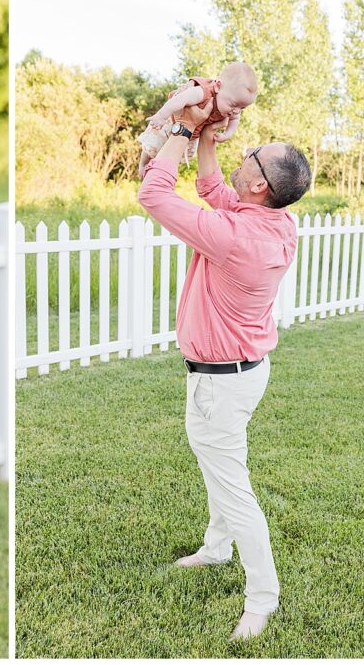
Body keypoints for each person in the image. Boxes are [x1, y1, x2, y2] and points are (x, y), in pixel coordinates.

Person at [137, 117, 311, 641]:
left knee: (234, 489)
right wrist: (211, 135)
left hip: (220, 383)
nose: (246, 152)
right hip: (242, 374)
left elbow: (153, 192)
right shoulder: (273, 222)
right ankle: (216, 549)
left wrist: (186, 131)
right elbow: (214, 188)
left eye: (252, 154)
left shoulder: (234, 237)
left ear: (259, 185)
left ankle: (263, 598)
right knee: (221, 467)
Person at [137, 61, 258, 172]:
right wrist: (161, 116)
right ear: (218, 86)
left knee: (173, 159)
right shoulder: (203, 92)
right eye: (233, 105)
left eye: (242, 108)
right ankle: (143, 165)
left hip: (191, 134)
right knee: (151, 147)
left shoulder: (233, 105)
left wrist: (227, 134)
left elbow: (235, 120)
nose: (236, 111)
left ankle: (158, 173)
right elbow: (180, 99)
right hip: (172, 122)